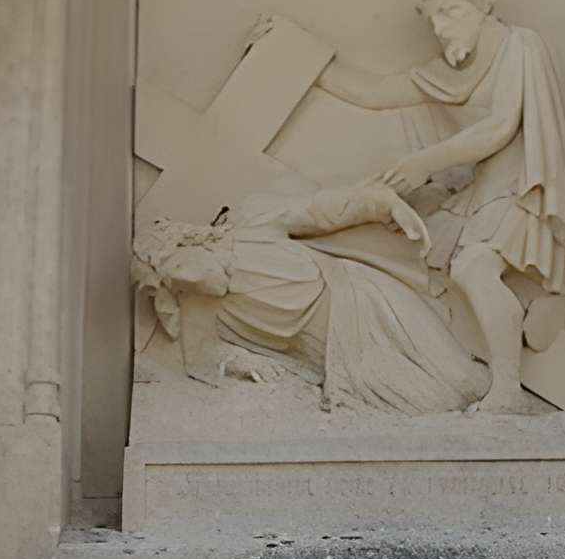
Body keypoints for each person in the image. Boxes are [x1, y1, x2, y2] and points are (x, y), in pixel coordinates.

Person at [261, 0, 565, 414]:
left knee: (473, 267)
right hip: (478, 193)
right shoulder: (452, 74)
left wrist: (423, 163)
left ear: (482, 9)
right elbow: (373, 93)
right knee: (412, 251)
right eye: (434, 19)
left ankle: (508, 389)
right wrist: (294, 52)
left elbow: (500, 126)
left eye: (451, 12)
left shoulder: (518, 45)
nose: (441, 27)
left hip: (520, 188)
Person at [132, 178, 487, 417]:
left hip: (365, 296)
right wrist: (241, 362)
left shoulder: (249, 223)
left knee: (462, 379)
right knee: (435, 404)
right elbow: (203, 357)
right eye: (172, 282)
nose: (186, 279)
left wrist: (383, 204)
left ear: (190, 240)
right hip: (339, 353)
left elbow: (321, 210)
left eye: (179, 266)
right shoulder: (199, 304)